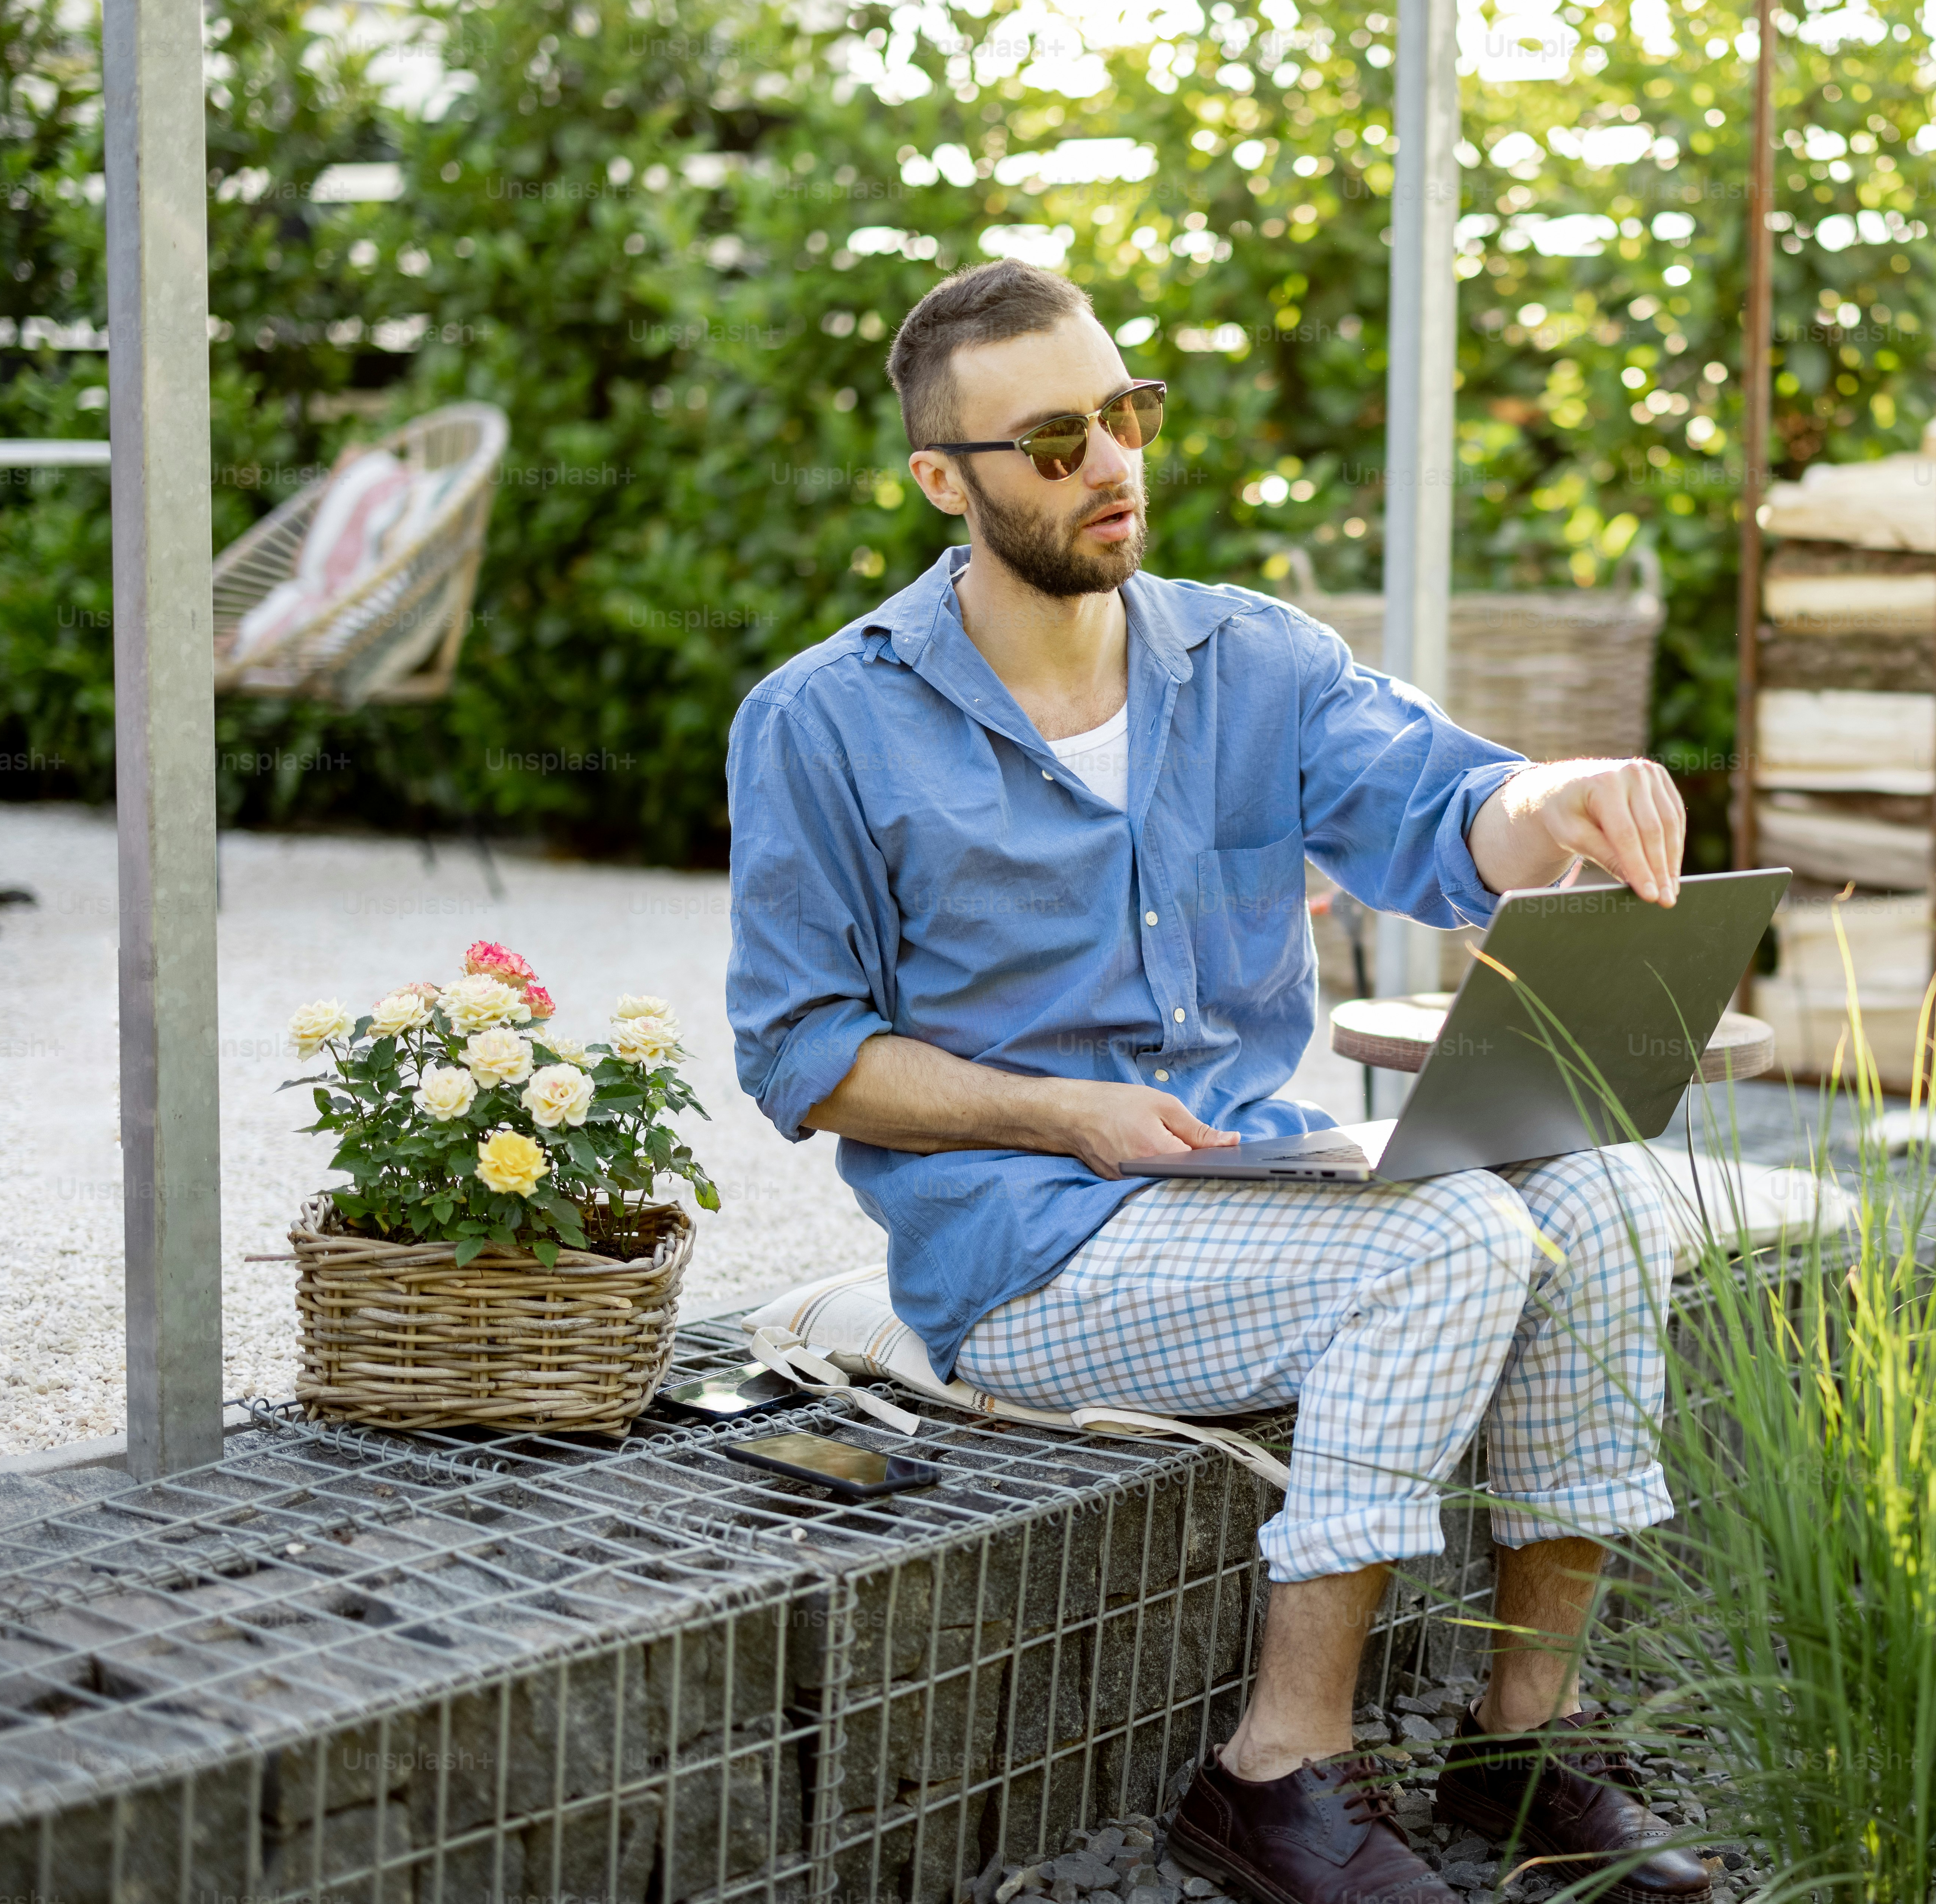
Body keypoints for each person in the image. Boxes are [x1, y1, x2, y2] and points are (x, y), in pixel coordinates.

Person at [726, 259, 1709, 1904]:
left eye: (1125, 414)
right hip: (1032, 1243)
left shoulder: (1256, 661)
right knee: (1454, 1236)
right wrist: (1059, 1109)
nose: (1112, 464)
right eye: (1052, 442)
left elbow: (1444, 809)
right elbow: (802, 1050)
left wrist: (1558, 796)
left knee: (1605, 1183)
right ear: (942, 482)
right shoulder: (824, 722)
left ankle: (1522, 1737)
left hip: (1245, 1181)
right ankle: (1277, 1769)